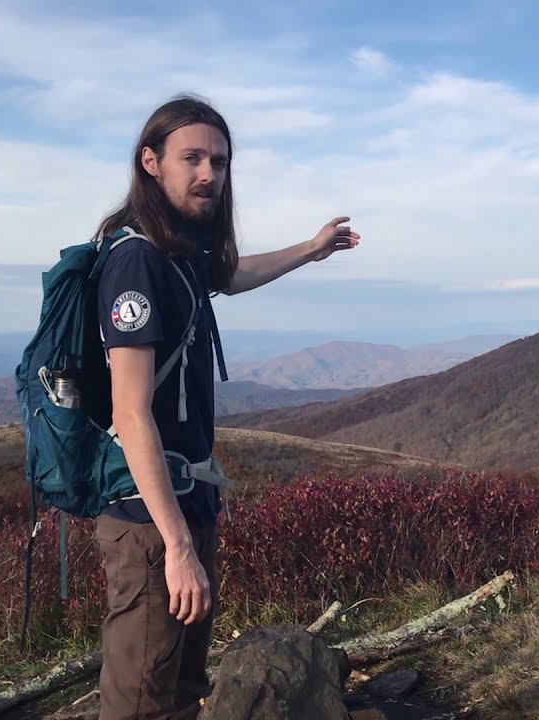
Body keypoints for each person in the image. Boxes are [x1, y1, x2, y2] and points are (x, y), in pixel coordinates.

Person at [91, 94, 360, 720]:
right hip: (148, 521)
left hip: (187, 504)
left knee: (184, 692)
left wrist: (312, 249)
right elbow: (131, 415)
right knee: (141, 704)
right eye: (192, 158)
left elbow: (230, 274)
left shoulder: (178, 252)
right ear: (150, 162)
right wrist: (178, 546)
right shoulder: (136, 261)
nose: (209, 173)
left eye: (219, 160)